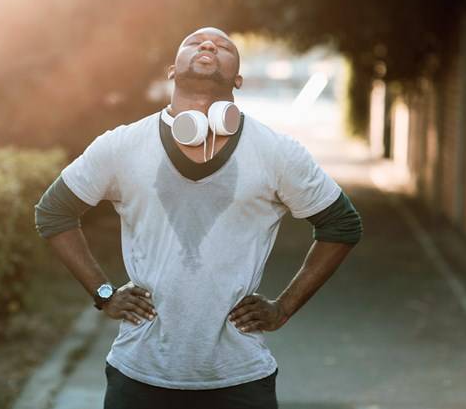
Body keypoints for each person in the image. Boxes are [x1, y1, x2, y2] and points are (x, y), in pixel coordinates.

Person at [34, 27, 363, 409]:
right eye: (195, 42)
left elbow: (342, 224)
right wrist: (103, 293)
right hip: (138, 374)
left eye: (224, 46)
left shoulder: (276, 152)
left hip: (240, 378)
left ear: (238, 79)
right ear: (172, 70)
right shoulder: (121, 146)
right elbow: (52, 212)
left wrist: (284, 307)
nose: (208, 44)